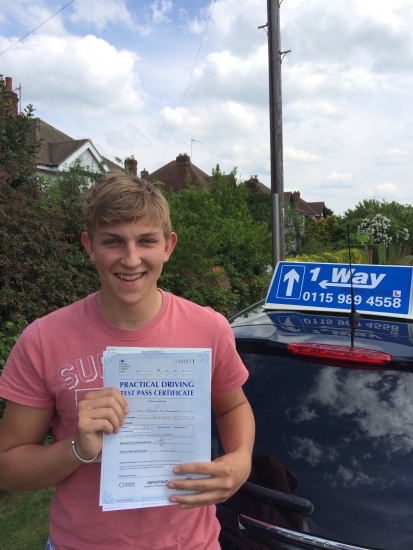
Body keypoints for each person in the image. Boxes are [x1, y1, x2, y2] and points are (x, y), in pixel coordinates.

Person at [0, 173, 255, 550]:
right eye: (113, 241)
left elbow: (234, 405)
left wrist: (240, 461)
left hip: (192, 543)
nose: (131, 258)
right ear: (89, 246)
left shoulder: (208, 328)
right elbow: (8, 468)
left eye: (146, 241)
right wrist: (78, 448)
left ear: (168, 246)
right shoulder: (43, 339)